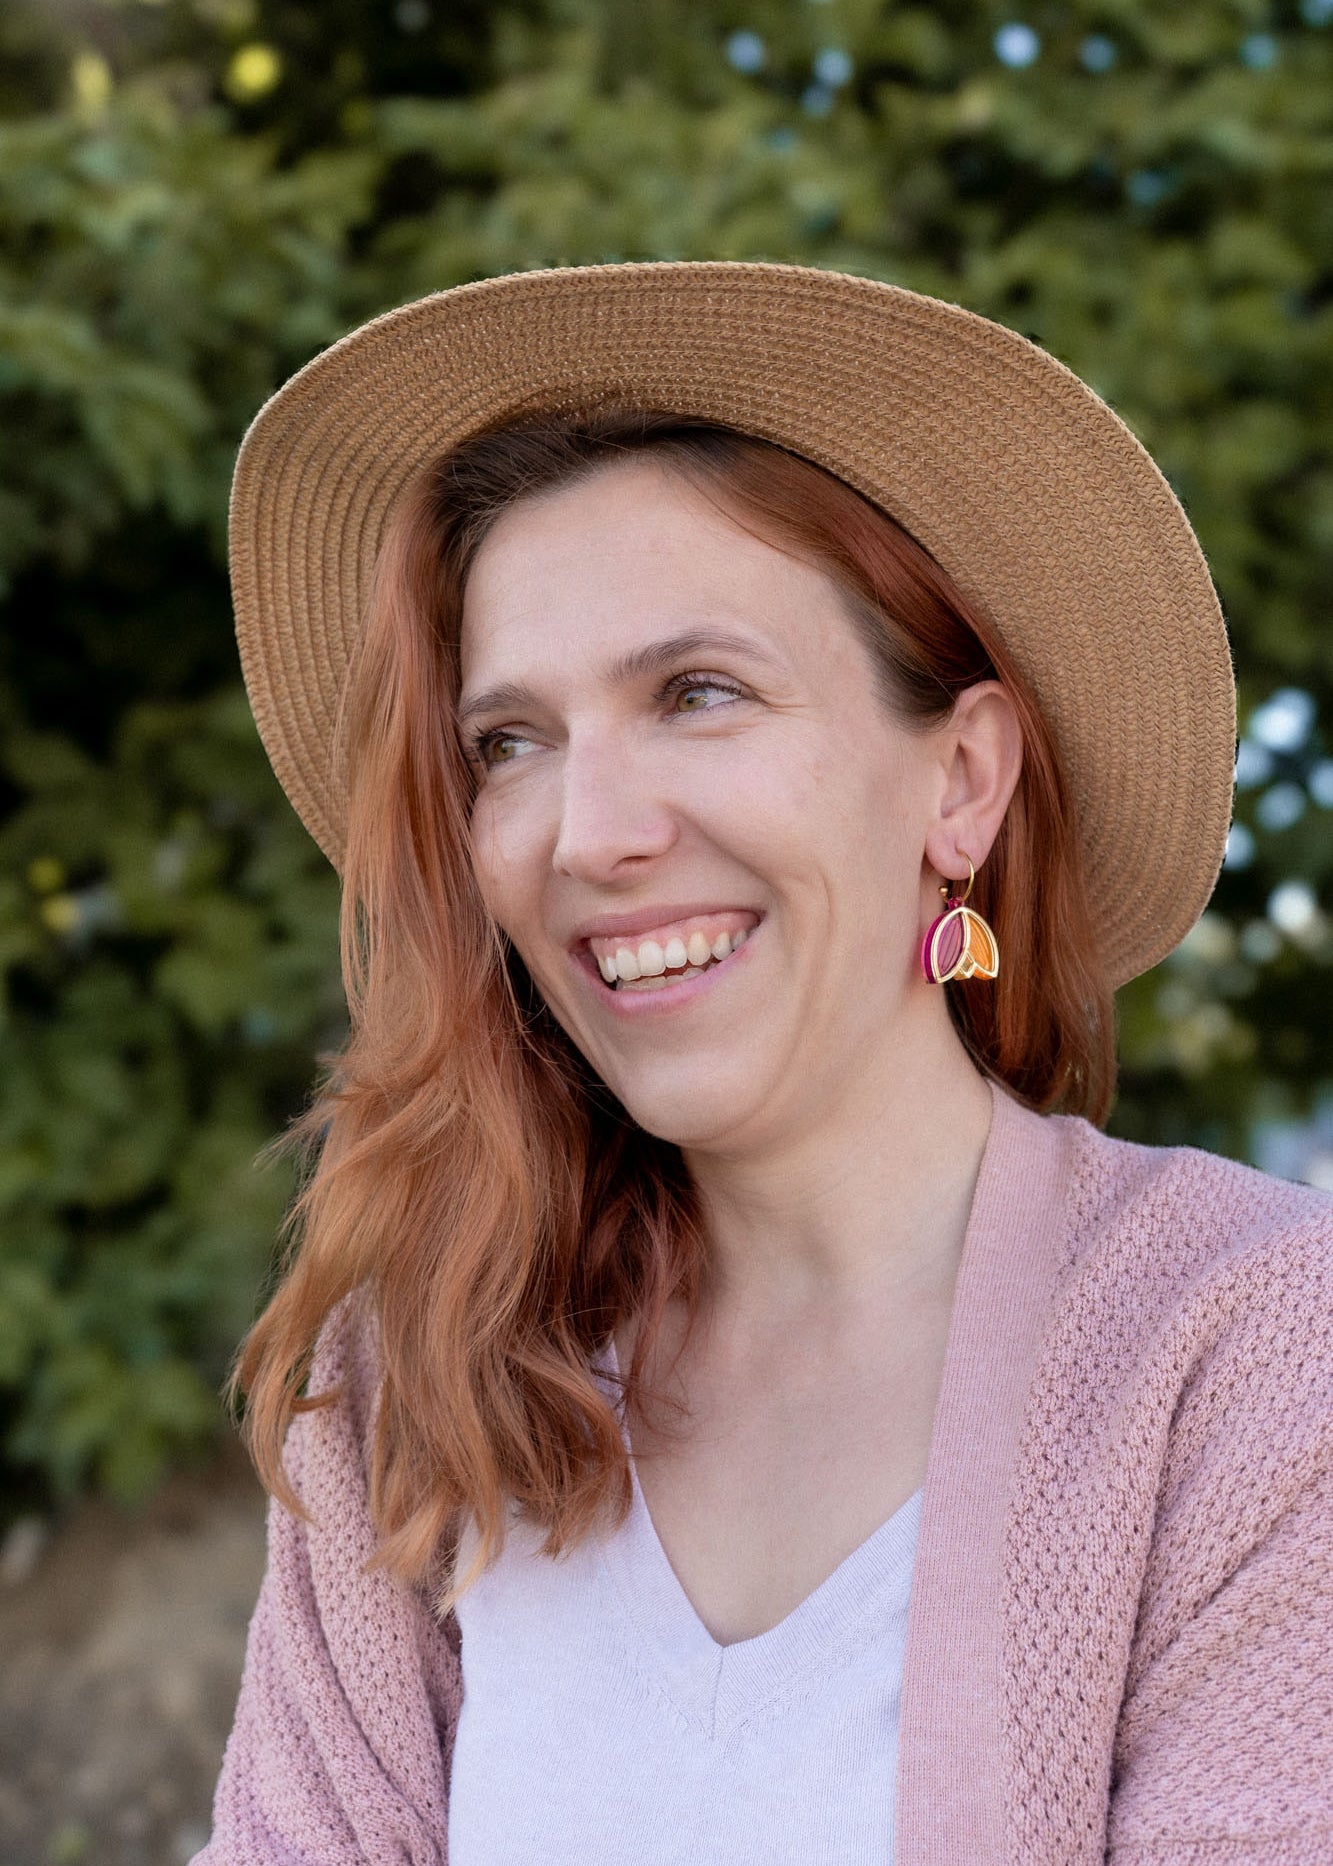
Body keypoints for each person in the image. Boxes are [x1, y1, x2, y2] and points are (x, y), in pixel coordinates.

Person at [194, 263, 1333, 1865]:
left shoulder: (1250, 1351)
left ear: (960, 781)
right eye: (508, 741)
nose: (588, 833)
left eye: (697, 693)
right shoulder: (419, 1372)